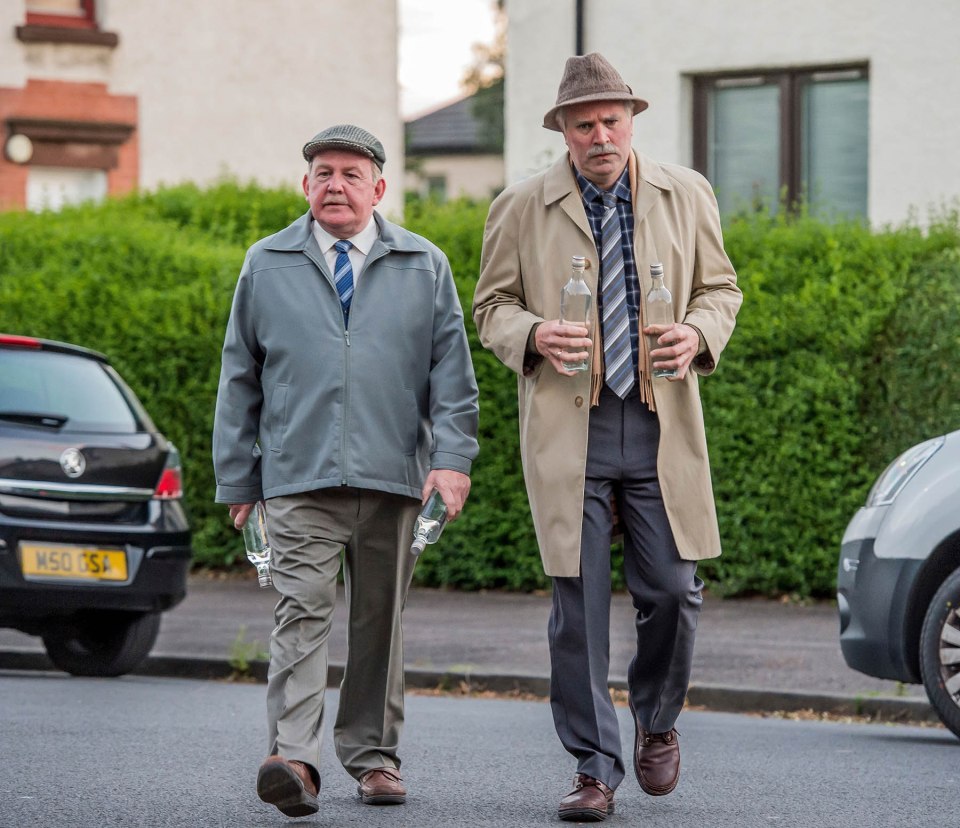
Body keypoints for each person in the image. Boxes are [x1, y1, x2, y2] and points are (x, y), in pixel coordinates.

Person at [473, 53, 741, 822]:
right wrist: (531, 334)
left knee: (674, 592)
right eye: (583, 123)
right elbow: (490, 305)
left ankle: (657, 721)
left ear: (632, 121)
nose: (600, 135)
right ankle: (594, 768)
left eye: (611, 120)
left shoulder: (686, 193)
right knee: (578, 609)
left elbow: (721, 287)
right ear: (562, 130)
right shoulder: (519, 208)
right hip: (570, 433)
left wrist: (697, 332)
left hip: (659, 426)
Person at [213, 124, 479, 818]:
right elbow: (239, 376)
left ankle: (373, 757)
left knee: (378, 624)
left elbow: (452, 375)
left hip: (395, 478)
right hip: (298, 478)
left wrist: (452, 461)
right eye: (323, 173)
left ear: (379, 188)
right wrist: (239, 478)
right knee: (301, 612)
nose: (336, 184)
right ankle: (294, 759)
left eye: (351, 174)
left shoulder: (424, 264)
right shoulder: (265, 262)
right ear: (306, 185)